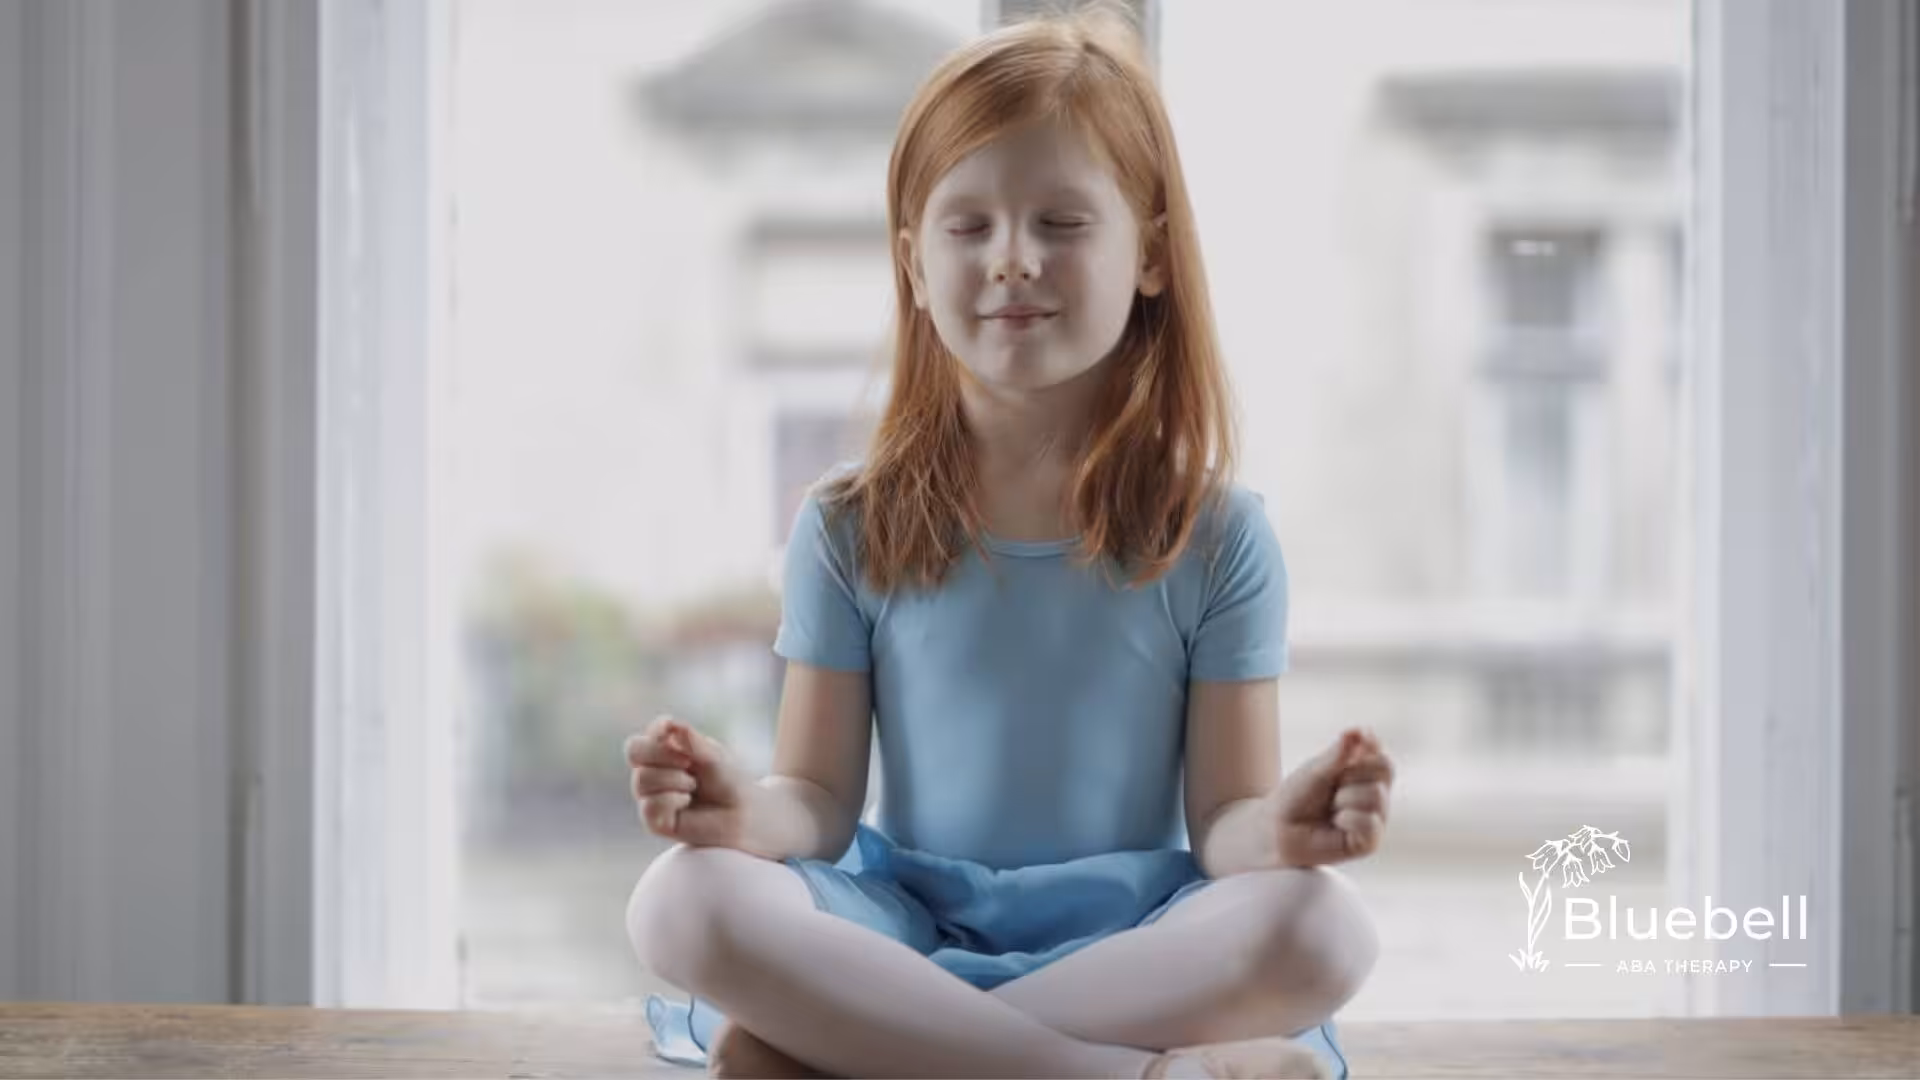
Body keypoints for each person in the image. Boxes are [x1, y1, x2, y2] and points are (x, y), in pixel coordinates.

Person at [624, 6, 1394, 1077]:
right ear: (911, 260)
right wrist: (738, 811)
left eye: (1063, 224)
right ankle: (1112, 1070)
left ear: (1153, 255)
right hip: (906, 931)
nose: (1013, 260)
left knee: (1327, 927)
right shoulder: (846, 527)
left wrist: (1287, 835)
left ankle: (895, 1051)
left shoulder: (1218, 536)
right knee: (681, 900)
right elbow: (816, 801)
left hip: (1131, 947)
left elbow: (1223, 824)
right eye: (969, 225)